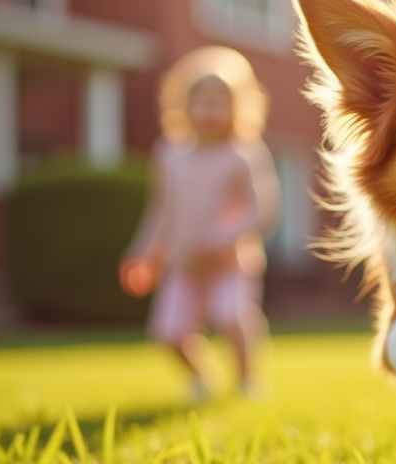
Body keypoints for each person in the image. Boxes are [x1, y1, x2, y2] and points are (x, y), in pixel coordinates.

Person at [120, 47, 280, 398]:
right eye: (202, 101)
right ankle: (201, 377)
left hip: (230, 263)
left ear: (237, 107)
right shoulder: (169, 153)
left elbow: (263, 210)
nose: (210, 111)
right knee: (169, 334)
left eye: (219, 102)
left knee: (231, 317)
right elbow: (161, 210)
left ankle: (245, 380)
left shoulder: (243, 153)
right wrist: (144, 253)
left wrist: (224, 236)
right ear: (185, 104)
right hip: (183, 265)